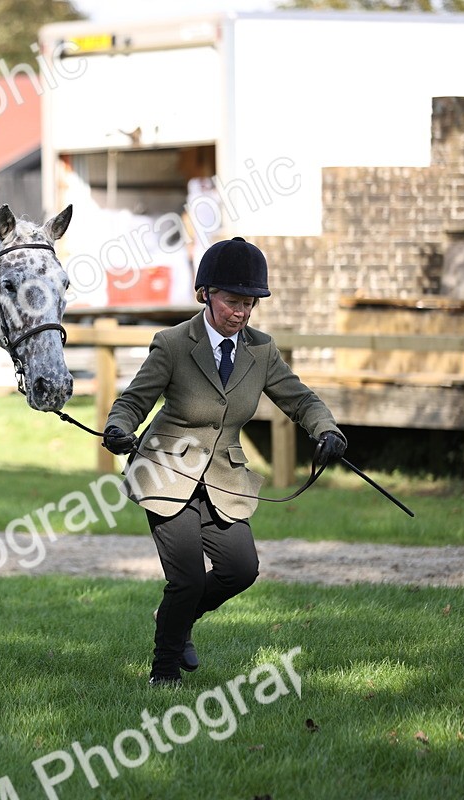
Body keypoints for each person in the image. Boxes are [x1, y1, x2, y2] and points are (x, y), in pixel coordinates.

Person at [103, 237, 347, 687]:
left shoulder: (262, 350)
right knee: (189, 580)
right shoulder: (173, 344)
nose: (241, 312)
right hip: (165, 474)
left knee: (241, 570)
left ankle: (174, 619)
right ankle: (164, 672)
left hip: (224, 479)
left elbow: (301, 400)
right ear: (206, 294)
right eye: (233, 301)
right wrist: (118, 428)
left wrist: (326, 430)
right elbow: (133, 401)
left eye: (249, 303)